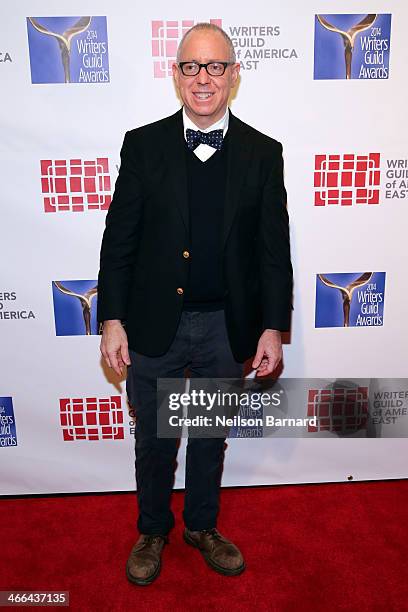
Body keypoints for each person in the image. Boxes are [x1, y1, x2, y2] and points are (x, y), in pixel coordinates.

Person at [97, 22, 293, 586]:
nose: (202, 79)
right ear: (175, 74)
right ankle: (153, 528)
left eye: (214, 67)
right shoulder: (143, 145)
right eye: (190, 66)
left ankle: (202, 526)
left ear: (234, 75)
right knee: (155, 440)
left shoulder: (262, 152)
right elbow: (120, 241)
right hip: (154, 323)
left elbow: (272, 252)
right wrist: (112, 318)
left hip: (224, 326)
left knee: (209, 437)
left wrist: (273, 327)